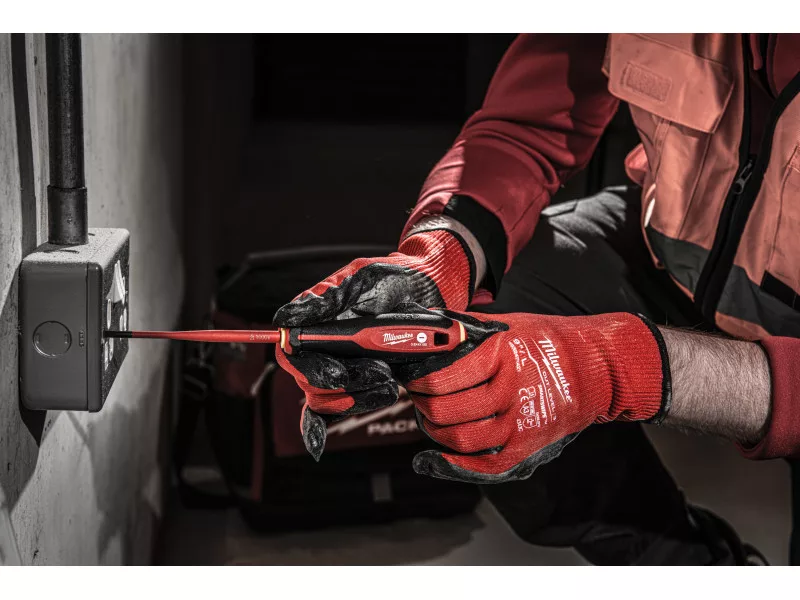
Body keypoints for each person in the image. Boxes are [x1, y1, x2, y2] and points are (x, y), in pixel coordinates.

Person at [273, 34, 800, 565]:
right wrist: (442, 256)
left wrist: (618, 368)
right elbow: (524, 128)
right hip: (675, 249)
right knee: (475, 330)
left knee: (531, 369)